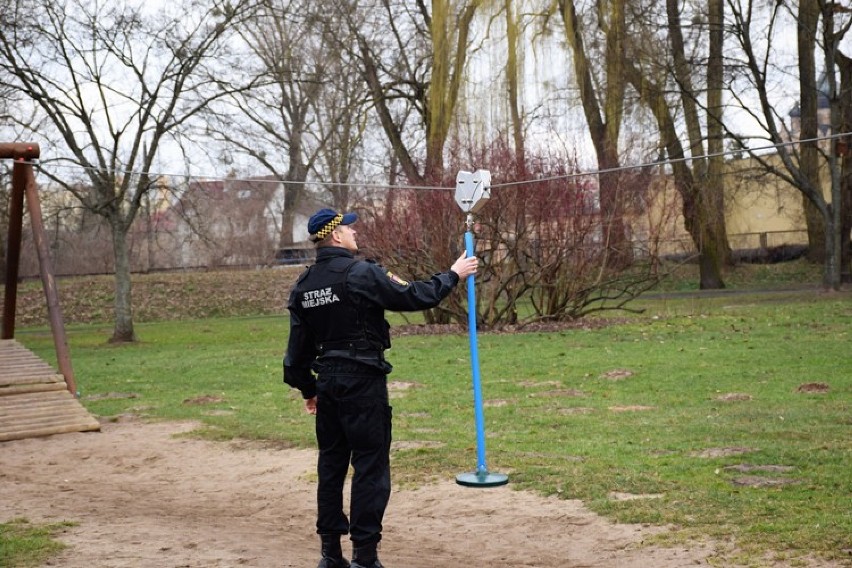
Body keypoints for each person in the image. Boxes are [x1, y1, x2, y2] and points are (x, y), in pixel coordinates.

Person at [283, 208, 478, 568]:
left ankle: (330, 555)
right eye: (349, 228)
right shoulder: (360, 273)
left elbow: (295, 355)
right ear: (336, 236)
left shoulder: (304, 285)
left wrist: (308, 390)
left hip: (327, 384)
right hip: (362, 381)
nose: (355, 232)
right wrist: (453, 274)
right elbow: (414, 296)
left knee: (331, 466)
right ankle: (365, 558)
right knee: (370, 466)